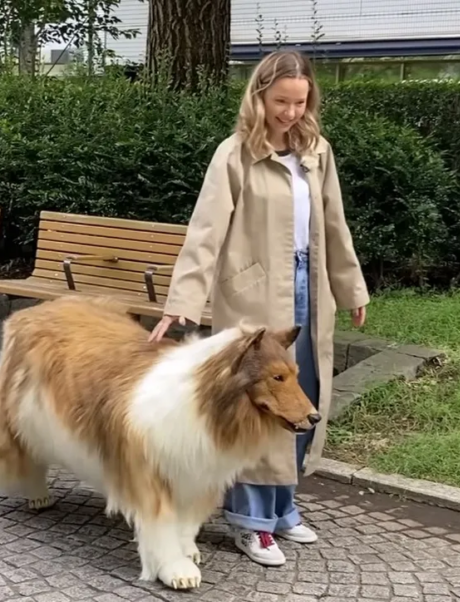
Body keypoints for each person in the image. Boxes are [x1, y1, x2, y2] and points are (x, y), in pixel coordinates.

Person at [148, 50, 369, 567]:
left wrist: (351, 288)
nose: (291, 112)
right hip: (252, 295)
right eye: (280, 101)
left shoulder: (317, 152)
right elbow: (205, 234)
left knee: (301, 398)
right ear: (259, 96)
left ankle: (284, 506)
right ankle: (251, 521)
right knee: (254, 405)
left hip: (307, 289)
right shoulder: (234, 154)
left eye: (301, 101)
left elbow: (334, 225)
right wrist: (181, 304)